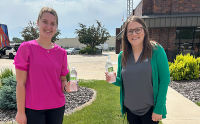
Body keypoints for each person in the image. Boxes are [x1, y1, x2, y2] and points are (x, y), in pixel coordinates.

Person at [105, 16, 170, 124]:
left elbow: (164, 80)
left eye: (137, 30)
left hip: (150, 111)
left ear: (144, 30)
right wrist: (113, 79)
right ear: (126, 35)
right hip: (130, 110)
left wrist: (159, 108)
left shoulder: (156, 50)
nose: (134, 34)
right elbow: (122, 81)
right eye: (130, 31)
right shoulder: (122, 55)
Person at [14, 7, 73, 124]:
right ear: (38, 22)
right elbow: (21, 83)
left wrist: (67, 87)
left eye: (53, 23)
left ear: (56, 27)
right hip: (33, 108)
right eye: (45, 22)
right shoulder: (26, 48)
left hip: (57, 107)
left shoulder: (62, 53)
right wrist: (20, 112)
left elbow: (62, 80)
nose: (49, 27)